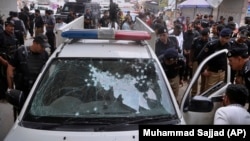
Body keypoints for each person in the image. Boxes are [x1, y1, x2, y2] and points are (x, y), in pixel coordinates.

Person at [6, 34, 50, 115]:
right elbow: (10, 69)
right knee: (22, 114)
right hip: (22, 91)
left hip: (38, 91)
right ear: (35, 43)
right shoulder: (20, 52)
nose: (43, 49)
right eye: (42, 46)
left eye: (45, 47)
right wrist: (11, 89)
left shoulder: (45, 55)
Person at [227, 47, 250, 113]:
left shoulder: (248, 71)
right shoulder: (245, 68)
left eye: (230, 60)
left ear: (239, 59)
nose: (229, 63)